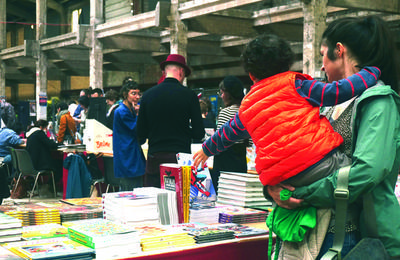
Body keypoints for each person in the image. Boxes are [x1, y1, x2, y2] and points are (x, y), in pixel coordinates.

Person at [192, 33, 381, 256]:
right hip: (323, 166)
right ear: (287, 65)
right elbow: (338, 91)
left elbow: (227, 133)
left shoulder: (248, 106)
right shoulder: (297, 84)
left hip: (283, 181)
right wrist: (371, 72)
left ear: (251, 75)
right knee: (350, 165)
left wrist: (206, 149)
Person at [264, 16, 400, 259]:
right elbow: (292, 152)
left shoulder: (379, 101)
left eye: (323, 56)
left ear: (340, 50)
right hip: (305, 231)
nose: (322, 66)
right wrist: (273, 188)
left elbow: (368, 170)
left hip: (345, 236)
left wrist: (302, 194)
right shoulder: (326, 103)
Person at [137, 54, 205, 188]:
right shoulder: (190, 96)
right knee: (179, 202)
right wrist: (183, 131)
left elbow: (140, 134)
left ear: (165, 72)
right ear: (181, 71)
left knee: (154, 201)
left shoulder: (148, 95)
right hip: (181, 159)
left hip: (155, 157)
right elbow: (199, 133)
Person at [211, 76, 248, 193]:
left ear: (229, 94)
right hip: (241, 162)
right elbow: (251, 142)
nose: (221, 96)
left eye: (222, 93)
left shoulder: (225, 112)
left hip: (225, 163)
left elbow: (218, 141)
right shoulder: (246, 111)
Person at [113, 80, 145, 191]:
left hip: (131, 151)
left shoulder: (129, 109)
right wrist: (138, 114)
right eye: (133, 93)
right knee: (129, 189)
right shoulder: (122, 111)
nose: (137, 97)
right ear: (125, 94)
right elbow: (136, 129)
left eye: (138, 94)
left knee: (137, 187)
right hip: (126, 154)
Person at [26, 119, 62, 192]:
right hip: (40, 164)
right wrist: (61, 144)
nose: (46, 130)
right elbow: (50, 144)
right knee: (60, 164)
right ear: (41, 127)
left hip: (32, 163)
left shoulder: (30, 134)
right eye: (46, 128)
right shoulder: (39, 133)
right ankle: (51, 185)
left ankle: (49, 185)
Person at [0, 126, 23, 203]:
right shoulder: (10, 133)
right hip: (4, 157)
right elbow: (18, 141)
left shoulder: (2, 132)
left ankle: (14, 178)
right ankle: (14, 177)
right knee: (15, 158)